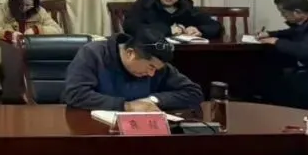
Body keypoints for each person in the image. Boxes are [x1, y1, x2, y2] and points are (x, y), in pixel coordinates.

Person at [62, 24, 203, 112]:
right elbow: (75, 94)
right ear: (130, 53)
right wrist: (127, 106)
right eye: (150, 67)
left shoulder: (158, 65)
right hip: (94, 131)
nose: (152, 74)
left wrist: (153, 100)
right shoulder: (93, 54)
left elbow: (193, 92)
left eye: (156, 69)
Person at [0, 0, 63, 86]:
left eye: (28, 5)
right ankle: (16, 93)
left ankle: (40, 92)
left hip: (32, 53)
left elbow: (57, 30)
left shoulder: (39, 11)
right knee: (15, 66)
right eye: (21, 5)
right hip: (5, 54)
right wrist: (7, 34)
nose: (25, 8)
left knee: (48, 64)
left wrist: (36, 30)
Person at [123, 0, 222, 40]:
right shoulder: (145, 3)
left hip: (183, 52)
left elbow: (215, 26)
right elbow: (130, 27)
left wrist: (199, 30)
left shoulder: (186, 7)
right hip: (151, 52)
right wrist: (169, 30)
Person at [256, 0, 308, 108]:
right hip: (304, 68)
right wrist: (270, 34)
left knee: (276, 85)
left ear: (297, 12)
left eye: (284, 13)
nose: (282, 16)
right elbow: (293, 32)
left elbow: (305, 50)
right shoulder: (305, 21)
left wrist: (276, 41)